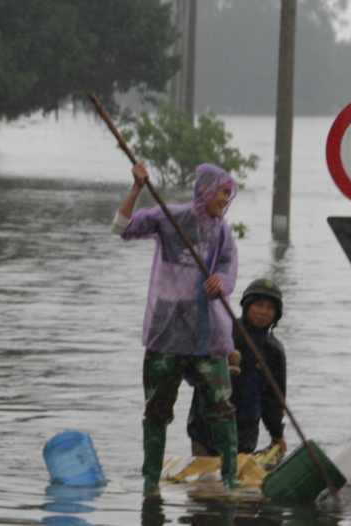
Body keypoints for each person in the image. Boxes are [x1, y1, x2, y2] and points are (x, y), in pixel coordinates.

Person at [111, 160, 240, 492]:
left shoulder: (222, 232)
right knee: (156, 411)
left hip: (207, 334)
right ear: (205, 190)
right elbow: (120, 228)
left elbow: (228, 271)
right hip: (167, 332)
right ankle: (150, 482)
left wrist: (219, 284)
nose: (226, 200)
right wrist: (137, 187)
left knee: (222, 408)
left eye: (229, 194)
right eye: (223, 193)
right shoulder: (170, 218)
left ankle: (230, 479)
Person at [187, 278, 287, 462]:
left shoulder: (274, 352)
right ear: (247, 306)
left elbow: (273, 399)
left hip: (244, 436)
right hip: (206, 430)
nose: (263, 312)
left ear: (276, 314)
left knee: (234, 485)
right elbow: (191, 372)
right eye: (259, 305)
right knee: (206, 486)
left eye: (270, 308)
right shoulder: (223, 333)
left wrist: (277, 434)